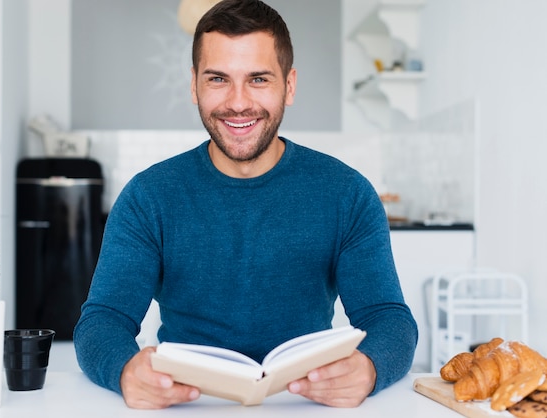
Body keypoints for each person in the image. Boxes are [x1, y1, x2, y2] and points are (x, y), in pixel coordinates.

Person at [74, 0, 417, 409]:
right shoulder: (148, 197)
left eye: (258, 79)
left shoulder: (348, 194)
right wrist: (126, 371)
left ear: (289, 86)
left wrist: (370, 368)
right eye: (218, 78)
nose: (238, 102)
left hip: (304, 404)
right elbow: (101, 321)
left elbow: (389, 319)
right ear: (194, 85)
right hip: (185, 404)